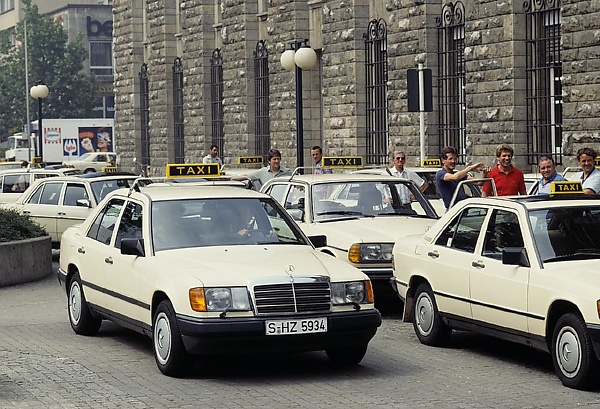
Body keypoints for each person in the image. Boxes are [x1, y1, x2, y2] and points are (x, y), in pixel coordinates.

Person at [436, 146, 485, 210]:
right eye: (450, 159)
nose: (453, 161)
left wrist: (484, 173)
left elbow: (479, 182)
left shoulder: (458, 174)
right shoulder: (441, 173)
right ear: (443, 160)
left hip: (462, 208)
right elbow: (454, 177)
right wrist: (469, 168)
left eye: (455, 159)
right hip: (452, 209)